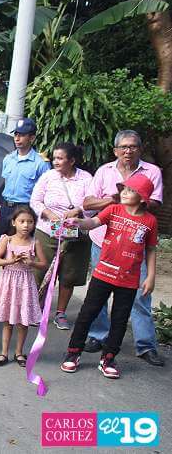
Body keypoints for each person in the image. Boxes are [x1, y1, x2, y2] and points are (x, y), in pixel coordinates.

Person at [61, 174, 158, 379]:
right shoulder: (113, 209)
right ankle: (73, 353)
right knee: (87, 314)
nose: (124, 193)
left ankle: (108, 358)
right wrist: (78, 222)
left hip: (129, 280)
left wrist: (150, 276)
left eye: (131, 190)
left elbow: (150, 249)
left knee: (120, 320)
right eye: (124, 189)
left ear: (142, 197)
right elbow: (93, 222)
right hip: (103, 274)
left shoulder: (150, 221)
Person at [82, 130, 165, 367]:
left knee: (140, 295)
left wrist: (132, 199)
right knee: (99, 293)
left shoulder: (152, 171)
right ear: (115, 150)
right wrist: (114, 199)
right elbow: (88, 203)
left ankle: (145, 345)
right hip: (103, 242)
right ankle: (98, 336)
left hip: (136, 244)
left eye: (133, 146)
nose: (128, 151)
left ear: (140, 149)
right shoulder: (104, 171)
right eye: (123, 147)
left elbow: (155, 202)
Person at [29, 142, 92, 330]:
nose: (55, 162)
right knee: (41, 271)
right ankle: (36, 309)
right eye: (54, 158)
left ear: (71, 161)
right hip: (47, 230)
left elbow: (92, 206)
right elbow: (35, 200)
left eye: (60, 158)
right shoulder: (48, 177)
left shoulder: (86, 179)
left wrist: (78, 211)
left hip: (74, 233)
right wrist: (49, 214)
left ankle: (60, 313)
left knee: (68, 274)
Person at [0, 206, 46, 367]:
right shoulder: (7, 240)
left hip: (25, 283)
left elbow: (43, 264)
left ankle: (19, 352)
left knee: (23, 321)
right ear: (14, 223)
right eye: (22, 221)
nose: (26, 225)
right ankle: (4, 352)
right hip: (9, 282)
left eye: (30, 222)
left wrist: (31, 262)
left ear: (34, 224)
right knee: (8, 320)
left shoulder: (35, 242)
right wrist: (10, 261)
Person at [0, 118, 49, 234]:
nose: (17, 138)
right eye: (16, 134)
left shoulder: (41, 163)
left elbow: (46, 191)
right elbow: (6, 183)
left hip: (26, 209)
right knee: (3, 241)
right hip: (6, 207)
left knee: (23, 243)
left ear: (32, 138)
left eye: (22, 135)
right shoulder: (8, 159)